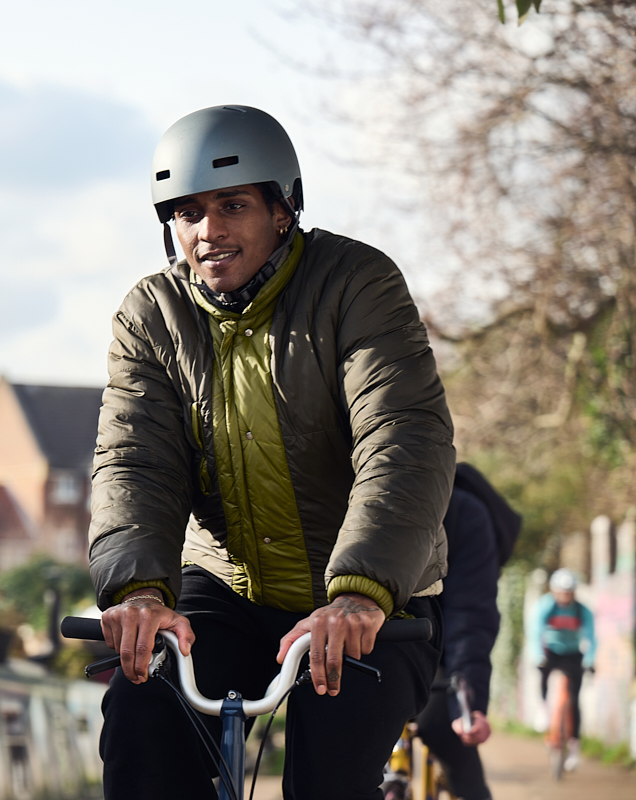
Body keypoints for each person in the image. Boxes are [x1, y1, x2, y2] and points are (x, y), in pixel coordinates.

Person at [89, 105, 453, 799]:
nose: (209, 231)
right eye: (188, 213)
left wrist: (360, 594)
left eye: (232, 205)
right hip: (227, 587)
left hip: (364, 599)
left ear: (282, 210)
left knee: (329, 778)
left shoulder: (358, 285)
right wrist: (138, 589)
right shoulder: (153, 314)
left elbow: (403, 440)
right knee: (142, 727)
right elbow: (135, 462)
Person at [414, 463, 522, 800]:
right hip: (363, 646)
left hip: (440, 648)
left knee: (445, 728)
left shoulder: (465, 513)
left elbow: (470, 615)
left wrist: (468, 697)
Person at [528, 567, 595, 771]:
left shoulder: (582, 610)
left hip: (573, 654)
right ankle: (543, 708)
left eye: (569, 592)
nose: (565, 596)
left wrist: (590, 660)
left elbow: (592, 637)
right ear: (554, 591)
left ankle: (574, 746)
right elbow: (535, 631)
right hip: (552, 652)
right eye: (561, 592)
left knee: (574, 699)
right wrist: (538, 654)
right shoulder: (546, 606)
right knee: (543, 674)